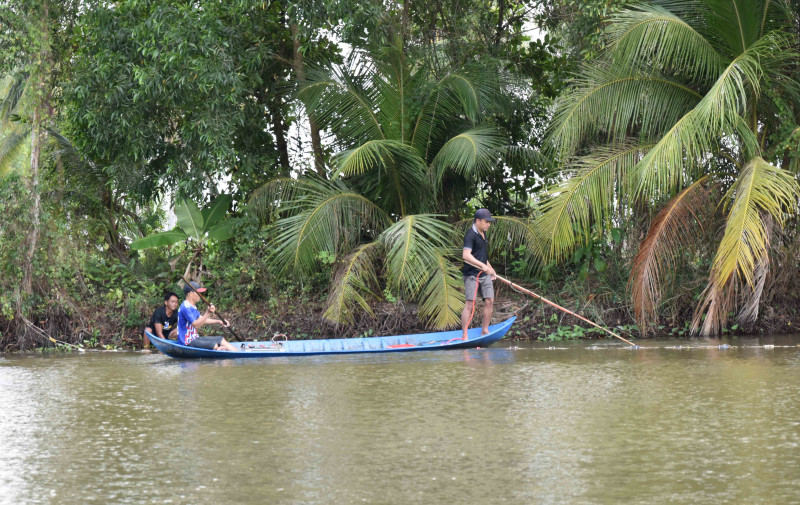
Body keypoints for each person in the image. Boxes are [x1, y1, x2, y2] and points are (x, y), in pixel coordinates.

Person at [462, 208, 497, 340]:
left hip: (484, 274)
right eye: (486, 221)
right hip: (471, 274)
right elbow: (466, 255)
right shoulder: (470, 235)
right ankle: (464, 334)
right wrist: (482, 266)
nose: (488, 224)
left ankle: (485, 330)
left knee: (490, 301)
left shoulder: (483, 233)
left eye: (489, 222)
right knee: (470, 304)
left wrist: (490, 269)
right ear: (478, 221)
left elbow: (482, 257)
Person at [177, 281, 238, 351]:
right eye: (198, 293)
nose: (200, 295)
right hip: (187, 342)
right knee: (214, 345)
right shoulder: (185, 307)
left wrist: (219, 321)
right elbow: (196, 325)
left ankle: (240, 355)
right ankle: (218, 350)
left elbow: (202, 319)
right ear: (190, 294)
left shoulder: (192, 306)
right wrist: (208, 312)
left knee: (221, 340)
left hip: (195, 338)